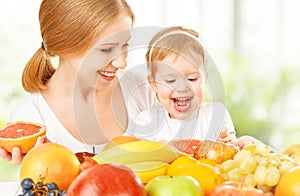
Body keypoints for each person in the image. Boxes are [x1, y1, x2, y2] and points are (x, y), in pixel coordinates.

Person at [0, 0, 154, 164]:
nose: (121, 63)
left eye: (125, 45)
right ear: (64, 46)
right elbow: (40, 186)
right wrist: (52, 159)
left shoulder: (140, 90)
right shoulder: (32, 115)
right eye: (106, 49)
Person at [137, 26, 263, 149]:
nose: (182, 87)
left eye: (192, 79)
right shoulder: (146, 122)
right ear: (154, 84)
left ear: (205, 78)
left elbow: (229, 157)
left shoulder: (214, 115)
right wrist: (156, 150)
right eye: (170, 80)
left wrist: (237, 144)